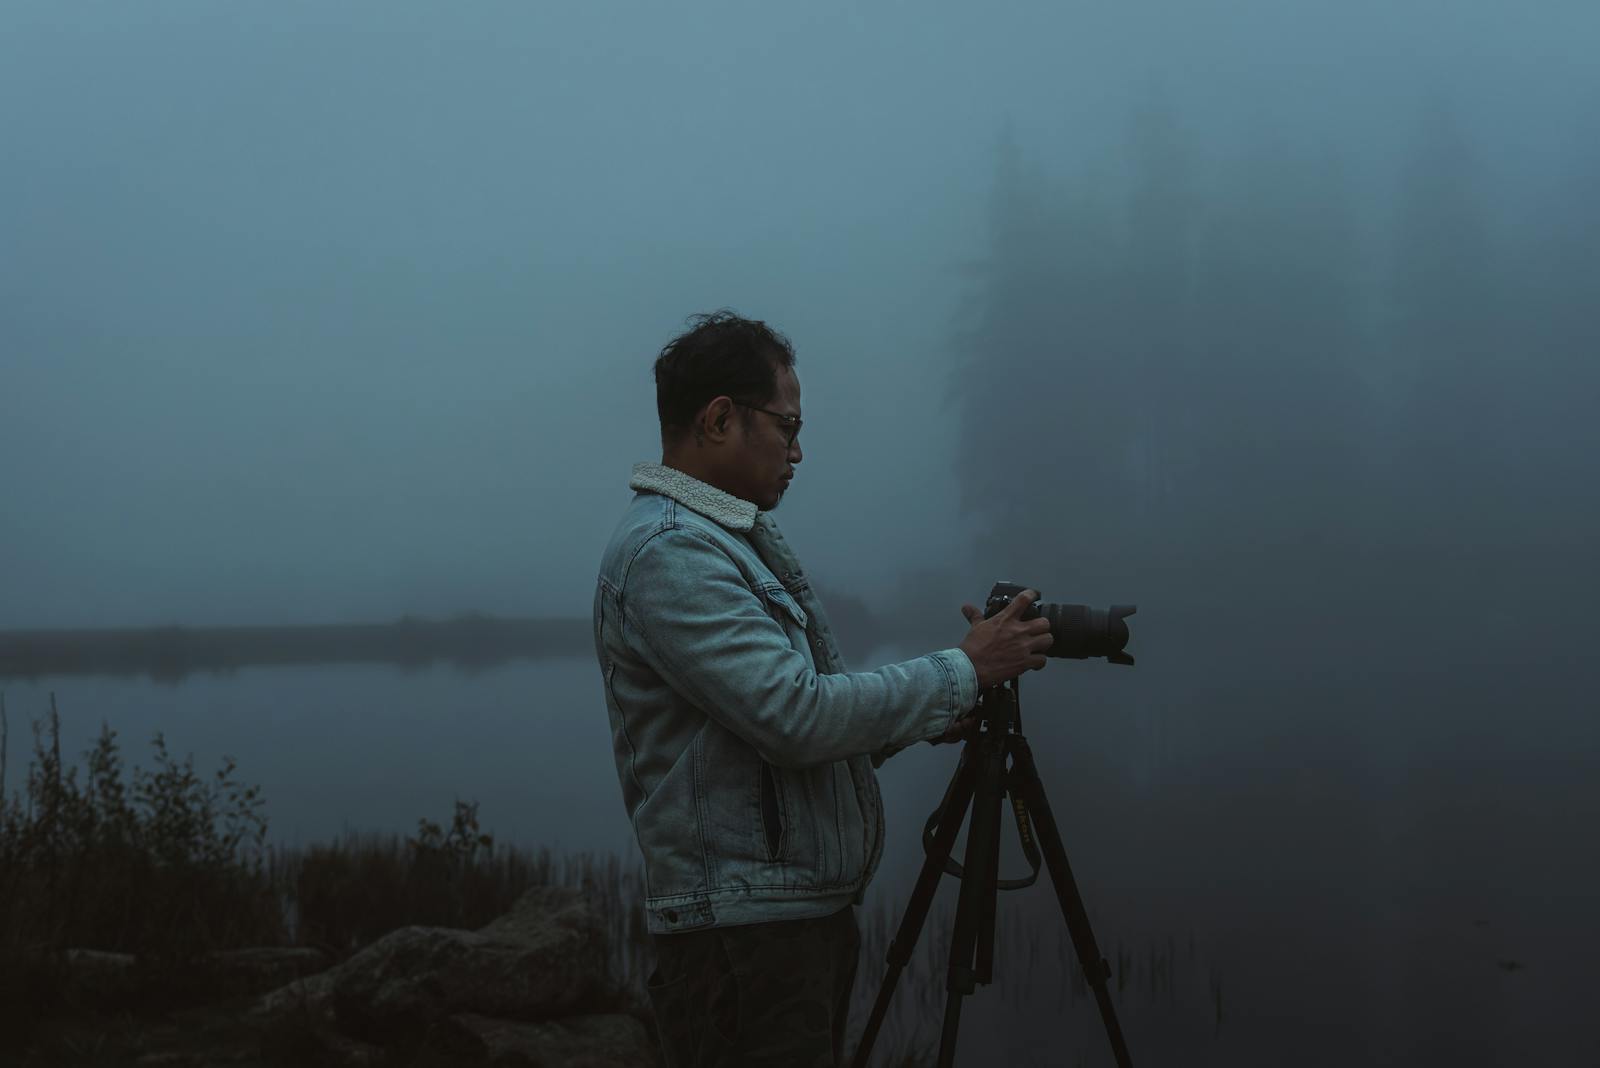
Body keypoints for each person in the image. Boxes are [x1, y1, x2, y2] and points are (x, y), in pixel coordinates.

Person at [592, 309, 1054, 1067]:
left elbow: (794, 730)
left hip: (781, 928)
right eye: (787, 425)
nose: (799, 451)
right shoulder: (672, 553)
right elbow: (798, 717)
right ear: (718, 419)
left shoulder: (721, 542)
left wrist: (939, 707)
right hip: (744, 943)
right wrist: (964, 668)